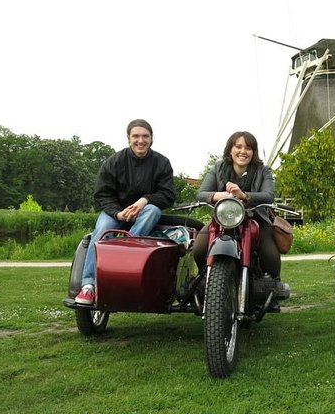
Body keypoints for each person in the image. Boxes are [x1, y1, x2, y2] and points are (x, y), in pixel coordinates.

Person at [75, 119, 176, 305]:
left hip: (145, 212)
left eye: (145, 136)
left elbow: (168, 194)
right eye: (136, 136)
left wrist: (144, 201)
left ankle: (127, 247)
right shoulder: (113, 162)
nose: (141, 140)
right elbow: (102, 194)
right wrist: (117, 214)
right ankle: (88, 284)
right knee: (102, 229)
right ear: (128, 138)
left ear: (152, 139)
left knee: (153, 211)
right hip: (115, 211)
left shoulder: (162, 163)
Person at [191, 131, 282, 280]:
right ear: (230, 149)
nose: (243, 151)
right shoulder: (218, 168)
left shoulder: (263, 170)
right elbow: (201, 193)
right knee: (199, 249)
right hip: (223, 218)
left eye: (248, 148)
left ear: (253, 151)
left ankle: (273, 285)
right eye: (238, 147)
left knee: (269, 254)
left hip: (256, 218)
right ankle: (207, 280)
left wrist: (244, 195)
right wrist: (217, 195)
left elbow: (269, 196)